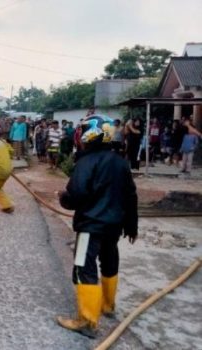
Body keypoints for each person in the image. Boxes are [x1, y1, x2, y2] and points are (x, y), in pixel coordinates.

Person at [57, 115, 138, 339]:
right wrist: (132, 226)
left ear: (90, 134)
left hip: (90, 225)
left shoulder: (86, 162)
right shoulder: (120, 162)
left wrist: (64, 198)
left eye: (83, 130)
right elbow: (131, 195)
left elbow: (77, 194)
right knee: (109, 261)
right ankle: (108, 305)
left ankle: (87, 321)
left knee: (84, 267)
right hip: (114, 226)